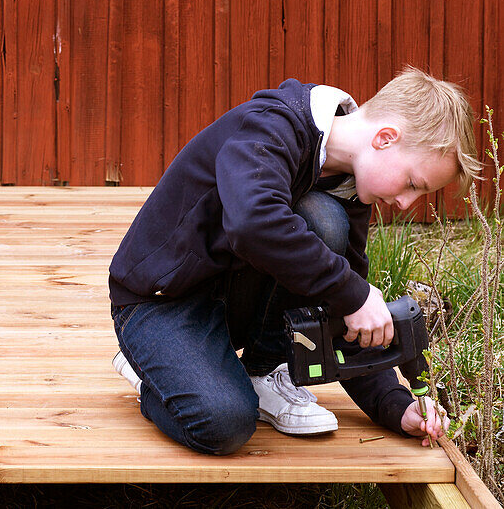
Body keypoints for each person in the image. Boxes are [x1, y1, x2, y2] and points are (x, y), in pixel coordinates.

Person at [109, 68, 480, 454]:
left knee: (325, 221)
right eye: (412, 184)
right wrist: (353, 293)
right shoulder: (273, 125)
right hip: (160, 301)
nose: (406, 203)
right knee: (225, 425)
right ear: (385, 139)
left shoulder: (349, 189)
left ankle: (263, 370)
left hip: (227, 302)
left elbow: (344, 317)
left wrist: (396, 405)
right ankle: (151, 375)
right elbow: (252, 222)